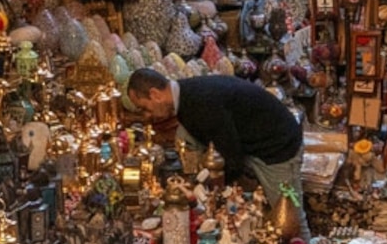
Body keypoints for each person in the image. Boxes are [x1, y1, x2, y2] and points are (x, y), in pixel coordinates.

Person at [125, 66, 306, 215]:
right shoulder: (185, 94)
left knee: (289, 217)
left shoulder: (202, 106)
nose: (147, 116)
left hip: (278, 147)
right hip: (250, 141)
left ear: (155, 94)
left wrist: (207, 190)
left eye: (144, 108)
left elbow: (232, 159)